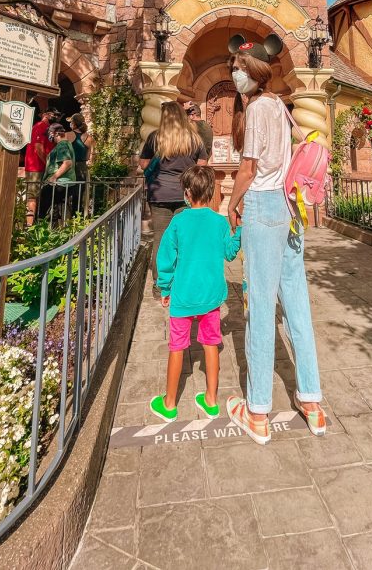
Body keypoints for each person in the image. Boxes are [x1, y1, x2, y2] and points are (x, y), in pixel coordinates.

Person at [225, 34, 325, 445]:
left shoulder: (256, 111)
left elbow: (249, 168)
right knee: (296, 302)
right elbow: (302, 146)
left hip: (265, 204)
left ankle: (258, 410)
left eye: (239, 68)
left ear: (254, 73)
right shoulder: (282, 109)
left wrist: (232, 203)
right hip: (290, 208)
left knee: (261, 306)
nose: (235, 74)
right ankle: (312, 402)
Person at [150, 166, 241, 423]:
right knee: (211, 344)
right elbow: (230, 253)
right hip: (211, 297)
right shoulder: (219, 222)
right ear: (211, 192)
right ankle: (211, 400)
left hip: (183, 296)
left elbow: (165, 259)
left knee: (177, 346)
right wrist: (240, 232)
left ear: (187, 193)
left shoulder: (178, 221)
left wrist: (165, 288)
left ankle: (169, 404)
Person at [139, 102, 208, 285]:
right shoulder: (193, 138)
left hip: (159, 193)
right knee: (185, 237)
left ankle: (160, 283)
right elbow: (202, 164)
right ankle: (182, 281)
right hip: (185, 194)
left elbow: (144, 164)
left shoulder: (155, 138)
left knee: (160, 239)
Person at [24, 107, 58, 224]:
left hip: (41, 167)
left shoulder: (48, 128)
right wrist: (48, 164)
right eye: (52, 114)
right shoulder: (40, 126)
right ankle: (29, 226)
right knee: (32, 196)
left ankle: (36, 224)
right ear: (44, 114)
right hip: (36, 167)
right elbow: (38, 148)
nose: (54, 116)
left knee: (39, 197)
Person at [39, 123, 76, 221]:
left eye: (49, 134)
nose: (49, 137)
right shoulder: (67, 144)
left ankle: (38, 230)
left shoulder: (62, 144)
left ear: (55, 133)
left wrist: (54, 177)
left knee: (42, 210)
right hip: (63, 183)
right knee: (52, 209)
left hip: (59, 183)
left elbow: (67, 163)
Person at [66, 112, 94, 210]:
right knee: (78, 195)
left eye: (71, 122)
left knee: (65, 192)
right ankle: (75, 217)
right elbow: (87, 157)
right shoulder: (88, 138)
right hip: (82, 168)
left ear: (73, 123)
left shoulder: (67, 135)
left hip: (69, 167)